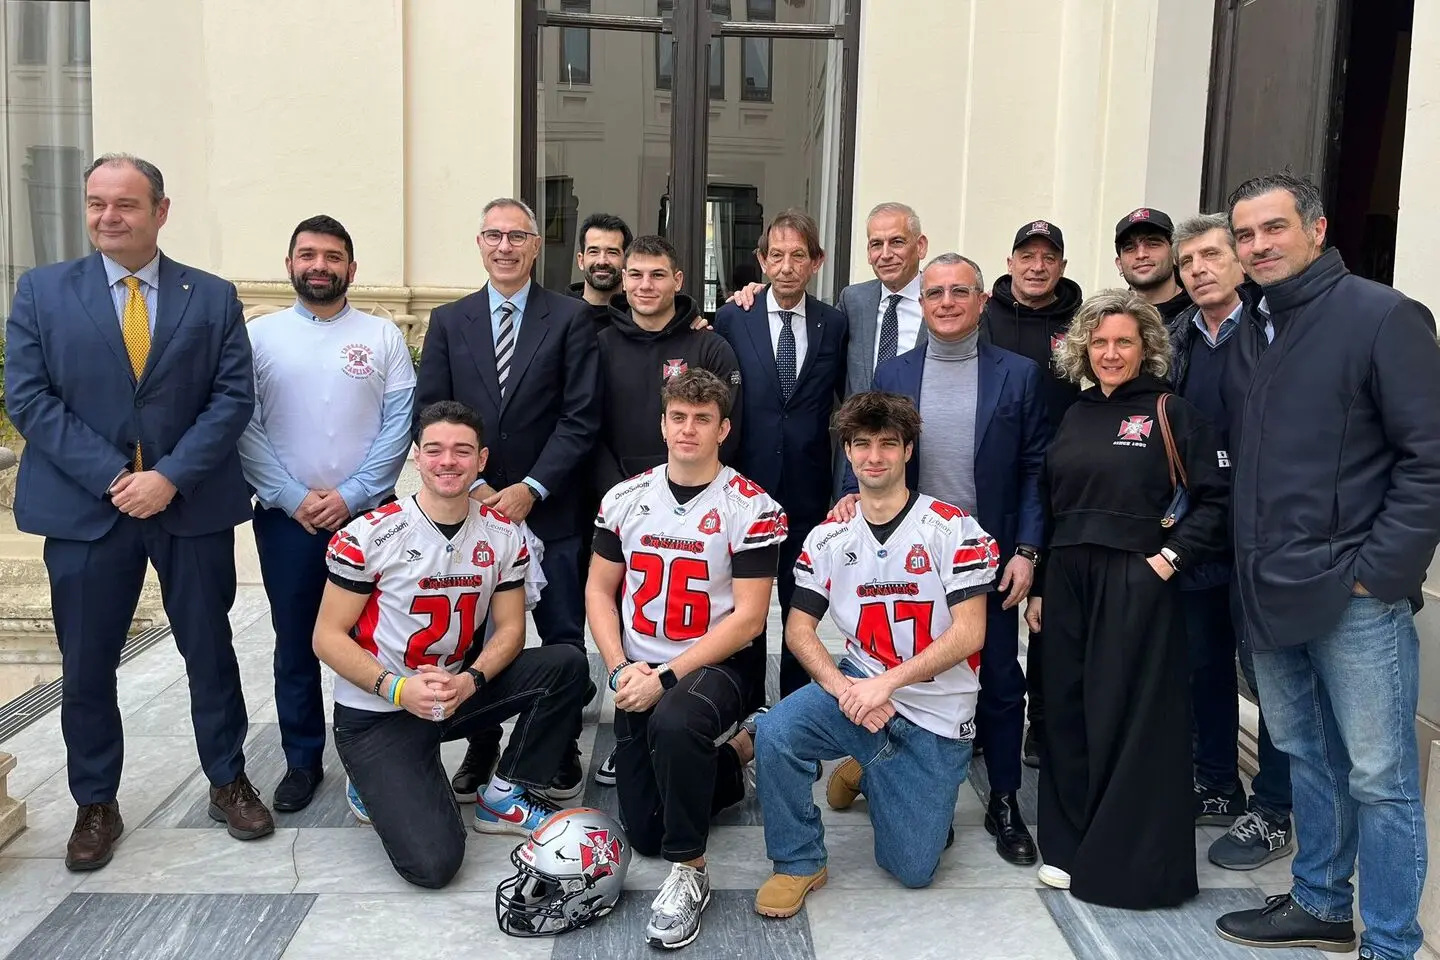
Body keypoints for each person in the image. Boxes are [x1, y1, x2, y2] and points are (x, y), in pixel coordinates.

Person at [4, 153, 272, 870]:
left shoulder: (210, 295)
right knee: (88, 665)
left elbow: (231, 397)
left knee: (209, 652)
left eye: (125, 204)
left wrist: (170, 477)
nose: (108, 216)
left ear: (160, 211)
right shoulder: (42, 291)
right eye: (96, 203)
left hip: (189, 507)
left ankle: (228, 780)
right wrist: (115, 477)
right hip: (85, 510)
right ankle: (95, 803)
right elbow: (28, 398)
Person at [1214, 173, 1440, 960]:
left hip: (1355, 597)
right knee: (1310, 759)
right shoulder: (1252, 329)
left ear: (1316, 229)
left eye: (1273, 228)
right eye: (1245, 235)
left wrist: (1378, 573)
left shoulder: (1383, 316)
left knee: (1380, 779)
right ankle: (1319, 902)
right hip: (1270, 592)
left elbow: (1428, 458)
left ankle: (1391, 942)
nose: (1258, 246)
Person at [313, 401, 588, 889]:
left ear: (481, 460)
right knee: (434, 865)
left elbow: (511, 629)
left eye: (462, 451)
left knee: (566, 663)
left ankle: (504, 795)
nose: (448, 461)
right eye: (435, 449)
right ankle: (373, 780)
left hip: (451, 693)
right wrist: (399, 689)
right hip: (381, 709)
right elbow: (326, 637)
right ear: (416, 457)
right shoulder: (370, 534)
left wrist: (470, 681)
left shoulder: (502, 534)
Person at [830, 253, 1047, 866]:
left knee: (998, 681)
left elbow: (1036, 470)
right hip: (910, 559)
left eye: (959, 292)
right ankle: (921, 796)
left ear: (982, 300)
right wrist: (848, 498)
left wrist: (1027, 551)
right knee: (911, 680)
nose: (947, 303)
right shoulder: (894, 370)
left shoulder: (1020, 375)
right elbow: (867, 446)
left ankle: (1003, 799)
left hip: (988, 558)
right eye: (935, 294)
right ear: (921, 304)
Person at [752, 391, 997, 916]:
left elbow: (970, 633)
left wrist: (886, 685)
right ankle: (798, 861)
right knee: (776, 732)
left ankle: (868, 768)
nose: (874, 456)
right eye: (862, 444)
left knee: (912, 870)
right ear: (847, 451)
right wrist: (848, 690)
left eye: (888, 444)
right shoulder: (829, 536)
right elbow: (798, 631)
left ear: (908, 449)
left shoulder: (952, 528)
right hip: (860, 686)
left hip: (936, 710)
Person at [1026, 288, 1229, 907]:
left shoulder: (1172, 412)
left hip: (1136, 578)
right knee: (1065, 710)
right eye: (1100, 342)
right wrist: (1041, 584)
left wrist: (1168, 560)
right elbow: (1054, 504)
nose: (1110, 353)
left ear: (1147, 348)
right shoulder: (1076, 413)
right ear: (1083, 349)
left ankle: (1126, 866)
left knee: (1128, 717)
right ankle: (1069, 846)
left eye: (1124, 342)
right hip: (1066, 580)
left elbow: (1217, 499)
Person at [585, 368, 784, 950]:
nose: (688, 429)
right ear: (662, 424)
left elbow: (750, 618)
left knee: (675, 722)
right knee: (647, 831)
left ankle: (691, 871)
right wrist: (619, 667)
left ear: (723, 429)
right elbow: (598, 589)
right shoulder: (624, 497)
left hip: (717, 665)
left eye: (703, 419)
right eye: (678, 417)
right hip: (640, 664)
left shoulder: (751, 506)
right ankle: (741, 750)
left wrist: (667, 677)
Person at [413, 197, 600, 803]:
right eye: (493, 235)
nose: (505, 247)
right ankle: (482, 743)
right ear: (479, 243)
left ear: (536, 245)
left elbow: (580, 415)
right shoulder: (450, 321)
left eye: (517, 236)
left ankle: (560, 743)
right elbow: (431, 412)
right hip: (470, 510)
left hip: (552, 506)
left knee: (563, 636)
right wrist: (474, 485)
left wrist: (530, 488)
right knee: (475, 634)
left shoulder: (570, 318)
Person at [238, 215, 415, 813]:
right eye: (308, 255)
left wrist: (353, 495)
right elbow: (244, 425)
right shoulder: (259, 337)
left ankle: (378, 758)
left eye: (333, 256)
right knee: (296, 642)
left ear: (351, 269)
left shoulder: (382, 336)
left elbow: (398, 424)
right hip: (286, 521)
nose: (320, 265)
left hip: (370, 521)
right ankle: (302, 759)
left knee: (376, 640)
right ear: (289, 265)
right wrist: (292, 497)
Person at [1167, 213, 1294, 871]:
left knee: (1271, 677)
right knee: (1203, 666)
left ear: (1240, 261)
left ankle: (1275, 809)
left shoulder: (1275, 331)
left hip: (1263, 536)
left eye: (1211, 255)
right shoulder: (1177, 338)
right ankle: (1216, 783)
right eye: (1188, 262)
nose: (1199, 270)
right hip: (1199, 532)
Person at [712, 209, 848, 708]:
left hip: (808, 490)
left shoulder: (834, 323)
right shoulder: (733, 317)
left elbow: (843, 401)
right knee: (741, 603)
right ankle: (744, 705)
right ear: (761, 260)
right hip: (745, 486)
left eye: (798, 256)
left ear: (816, 261)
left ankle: (791, 708)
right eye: (776, 256)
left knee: (800, 603)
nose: (786, 267)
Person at [979, 218, 1084, 769]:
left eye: (1048, 257)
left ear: (1062, 265)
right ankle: (978, 716)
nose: (1037, 267)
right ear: (1010, 262)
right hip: (1004, 478)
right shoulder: (983, 316)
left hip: (1065, 480)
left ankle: (1041, 724)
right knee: (988, 602)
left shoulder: (1084, 321)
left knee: (1048, 608)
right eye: (1027, 256)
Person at [594, 234, 744, 496]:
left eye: (657, 275)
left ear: (677, 280)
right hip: (616, 499)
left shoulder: (711, 348)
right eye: (636, 275)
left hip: (694, 498)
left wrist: (680, 495)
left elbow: (727, 431)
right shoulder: (599, 347)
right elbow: (587, 429)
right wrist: (620, 495)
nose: (646, 285)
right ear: (624, 280)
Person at [1114, 207, 1192, 321]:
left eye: (1153, 244)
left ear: (1175, 254)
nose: (1141, 255)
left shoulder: (1204, 314)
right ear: (1119, 264)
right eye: (1130, 248)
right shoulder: (1106, 319)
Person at [569, 212, 633, 326]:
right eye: (594, 252)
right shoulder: (558, 315)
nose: (602, 261)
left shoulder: (638, 317)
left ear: (626, 262)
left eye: (612, 252)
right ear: (581, 261)